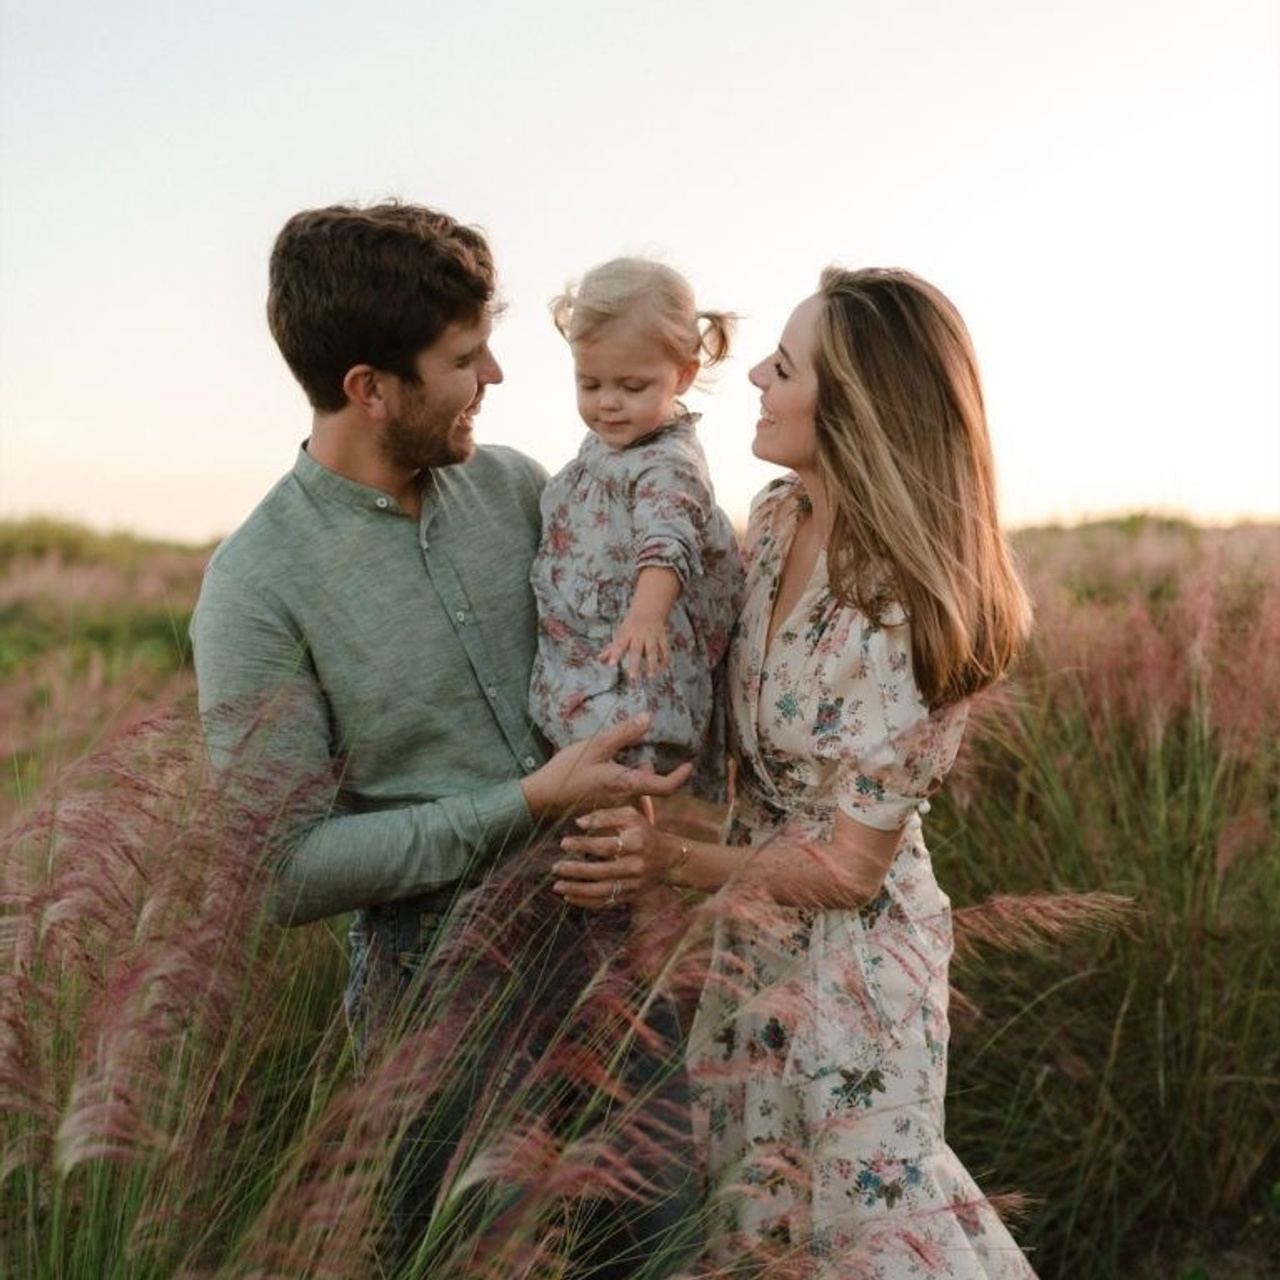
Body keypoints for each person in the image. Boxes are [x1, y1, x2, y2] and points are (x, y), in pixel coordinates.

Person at [189, 202, 697, 1274]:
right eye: (465, 360)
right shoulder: (255, 586)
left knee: (660, 1250)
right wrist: (526, 804)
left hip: (615, 941)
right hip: (439, 995)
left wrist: (652, 816)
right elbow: (280, 869)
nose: (496, 376)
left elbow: (646, 654)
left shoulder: (519, 486)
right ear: (370, 389)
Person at [550, 268, 1039, 1277]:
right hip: (746, 936)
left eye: (782, 366)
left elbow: (851, 870)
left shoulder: (909, 604)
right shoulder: (773, 519)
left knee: (871, 1224)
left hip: (859, 965)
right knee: (759, 1220)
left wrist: (668, 862)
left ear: (853, 403)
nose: (755, 382)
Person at [529, 257, 744, 804]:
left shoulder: (669, 463)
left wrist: (647, 613)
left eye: (632, 386)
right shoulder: (614, 440)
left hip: (638, 650)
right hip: (595, 639)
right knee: (587, 759)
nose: (607, 402)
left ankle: (633, 824)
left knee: (628, 755)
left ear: (684, 376)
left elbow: (667, 539)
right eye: (590, 383)